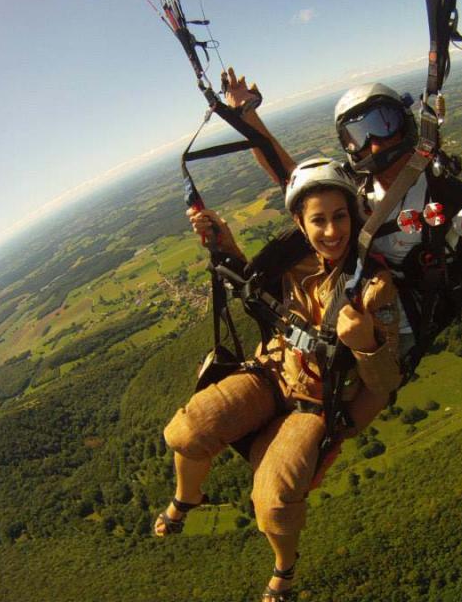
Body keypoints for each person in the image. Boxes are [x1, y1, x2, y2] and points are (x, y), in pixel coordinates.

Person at [155, 159, 401, 601]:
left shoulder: (373, 286)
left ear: (354, 215)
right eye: (319, 220)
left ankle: (284, 567)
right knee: (185, 430)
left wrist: (364, 341)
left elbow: (384, 381)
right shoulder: (290, 259)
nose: (331, 231)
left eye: (340, 216)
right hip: (271, 372)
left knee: (271, 502)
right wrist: (224, 242)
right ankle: (186, 497)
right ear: (301, 223)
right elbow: (254, 294)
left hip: (316, 400)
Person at [220, 67, 462, 365]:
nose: (373, 143)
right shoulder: (355, 185)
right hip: (354, 298)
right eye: (357, 135)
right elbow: (292, 177)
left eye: (382, 123)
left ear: (404, 125)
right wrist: (247, 115)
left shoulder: (441, 193)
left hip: (399, 323)